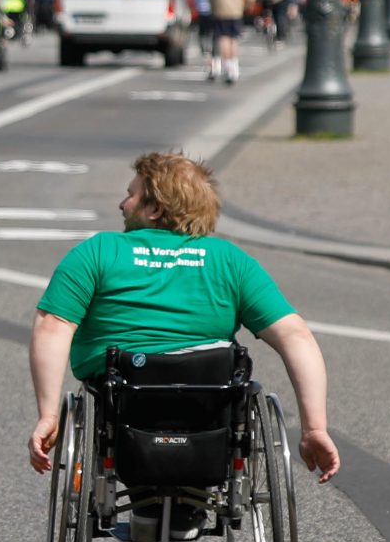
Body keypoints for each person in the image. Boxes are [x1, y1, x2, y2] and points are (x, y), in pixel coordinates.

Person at [27, 150, 340, 487]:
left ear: (155, 209)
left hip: (123, 397)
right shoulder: (231, 261)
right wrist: (314, 427)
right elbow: (295, 335)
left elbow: (52, 325)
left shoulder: (98, 251)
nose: (122, 204)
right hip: (207, 399)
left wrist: (48, 415)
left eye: (131, 195)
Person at [207, 0, 257, 85]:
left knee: (223, 38)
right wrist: (247, 7)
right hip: (236, 12)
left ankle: (227, 67)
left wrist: (213, 9)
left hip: (220, 11)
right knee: (233, 39)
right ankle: (234, 67)